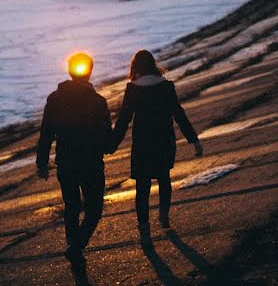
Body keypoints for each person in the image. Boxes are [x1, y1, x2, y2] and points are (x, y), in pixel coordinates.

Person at [111, 49, 203, 242]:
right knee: (164, 179)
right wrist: (193, 140)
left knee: (142, 187)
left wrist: (111, 144)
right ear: (154, 65)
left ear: (135, 67)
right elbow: (178, 114)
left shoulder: (133, 89)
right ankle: (164, 217)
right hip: (163, 139)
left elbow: (124, 119)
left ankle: (144, 229)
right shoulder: (166, 86)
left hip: (143, 143)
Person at [36, 52, 113, 266]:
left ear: (70, 71)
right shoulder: (98, 101)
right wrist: (110, 146)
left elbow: (46, 133)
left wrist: (42, 163)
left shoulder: (55, 98)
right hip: (91, 162)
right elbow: (106, 135)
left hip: (66, 162)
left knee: (71, 207)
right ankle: (75, 247)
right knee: (94, 209)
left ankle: (74, 248)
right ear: (89, 72)